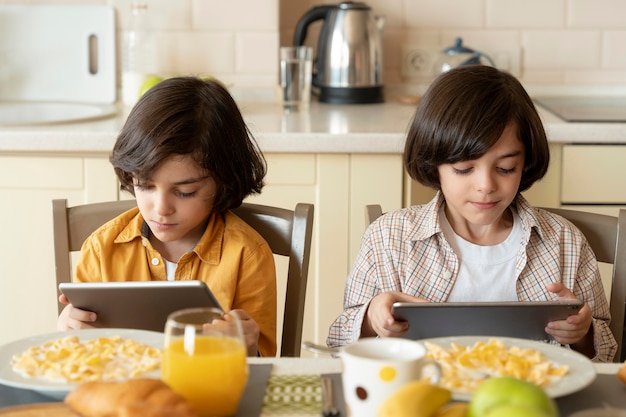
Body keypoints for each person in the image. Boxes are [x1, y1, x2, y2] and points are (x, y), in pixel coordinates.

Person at [327, 65, 617, 362]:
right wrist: (372, 317)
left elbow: (607, 353)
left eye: (506, 168)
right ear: (433, 162)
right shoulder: (389, 238)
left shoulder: (564, 242)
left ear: (526, 162)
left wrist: (583, 334)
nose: (486, 186)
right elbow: (338, 345)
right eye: (464, 169)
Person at [57, 76, 277, 357]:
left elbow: (266, 368)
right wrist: (68, 330)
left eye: (185, 192)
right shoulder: (101, 250)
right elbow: (81, 358)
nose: (161, 208)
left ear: (223, 181)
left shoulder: (247, 255)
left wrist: (246, 348)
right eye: (145, 186)